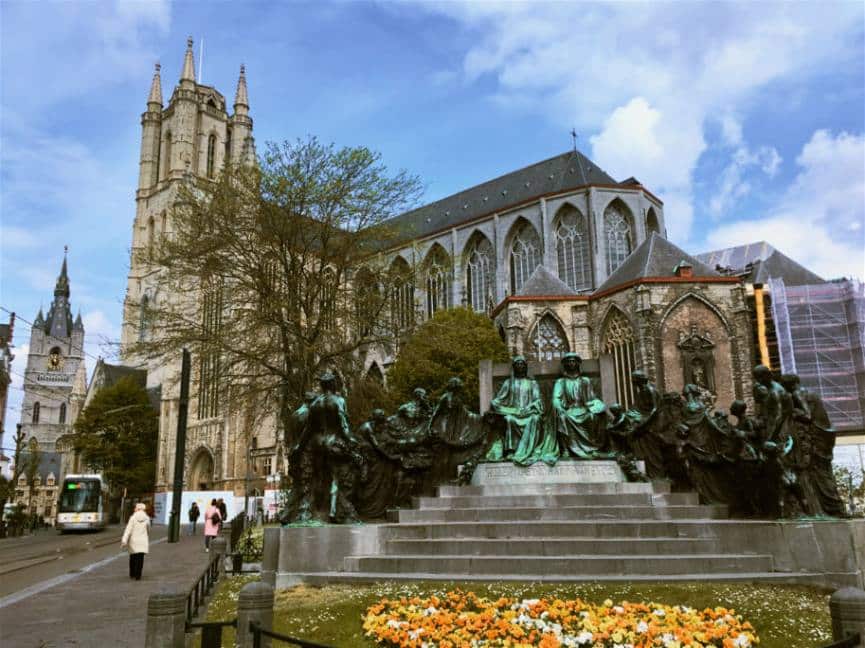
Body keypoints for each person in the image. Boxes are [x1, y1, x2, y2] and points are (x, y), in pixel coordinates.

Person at [121, 503, 150, 581]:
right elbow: (148, 529)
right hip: (143, 541)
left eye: (135, 507)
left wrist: (124, 540)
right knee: (140, 558)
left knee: (133, 557)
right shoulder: (147, 518)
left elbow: (128, 530)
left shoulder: (133, 518)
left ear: (137, 509)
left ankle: (132, 574)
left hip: (134, 541)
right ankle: (138, 576)